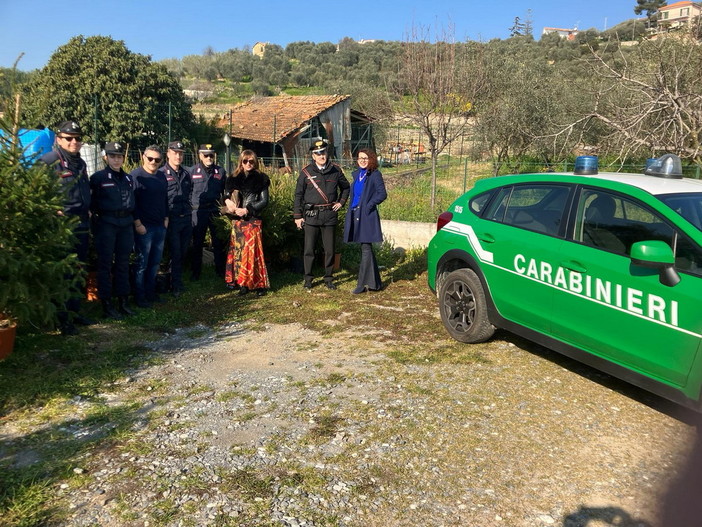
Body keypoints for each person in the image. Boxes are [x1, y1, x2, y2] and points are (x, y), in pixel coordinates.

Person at [39, 120, 94, 335]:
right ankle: (62, 319)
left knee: (78, 269)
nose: (74, 142)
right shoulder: (49, 161)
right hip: (62, 225)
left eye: (77, 138)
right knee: (64, 272)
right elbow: (40, 192)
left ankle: (74, 312)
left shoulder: (80, 163)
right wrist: (52, 210)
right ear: (58, 140)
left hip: (81, 222)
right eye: (69, 138)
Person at [293, 139, 350, 290]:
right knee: (309, 249)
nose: (321, 156)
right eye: (318, 153)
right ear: (313, 156)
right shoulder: (306, 172)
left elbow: (346, 188)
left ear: (327, 153)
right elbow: (298, 195)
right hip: (311, 215)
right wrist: (298, 216)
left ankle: (329, 278)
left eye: (323, 152)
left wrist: (341, 202)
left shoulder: (335, 170)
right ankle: (308, 279)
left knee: (330, 250)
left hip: (329, 215)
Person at [90, 141, 135, 318]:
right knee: (105, 264)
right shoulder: (98, 178)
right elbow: (92, 205)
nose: (116, 160)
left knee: (123, 263)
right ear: (106, 157)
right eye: (113, 156)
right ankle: (107, 304)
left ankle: (123, 301)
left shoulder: (128, 178)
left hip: (125, 223)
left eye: (119, 156)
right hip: (107, 223)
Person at [223, 150, 271, 296]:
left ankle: (259, 285)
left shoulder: (261, 178)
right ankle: (242, 283)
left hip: (252, 220)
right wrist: (228, 202)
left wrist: (247, 210)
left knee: (254, 253)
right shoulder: (233, 178)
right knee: (239, 253)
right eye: (245, 161)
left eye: (251, 161)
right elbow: (225, 194)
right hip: (237, 221)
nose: (248, 164)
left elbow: (264, 201)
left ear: (255, 162)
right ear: (241, 162)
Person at [343, 148, 387, 293]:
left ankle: (361, 284)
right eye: (360, 158)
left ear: (371, 159)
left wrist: (369, 205)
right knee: (365, 248)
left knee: (366, 248)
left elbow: (382, 194)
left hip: (367, 216)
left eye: (365, 158)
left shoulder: (375, 175)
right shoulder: (357, 175)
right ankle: (375, 284)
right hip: (356, 214)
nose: (362, 160)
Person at [131, 146, 169, 307]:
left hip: (160, 226)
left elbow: (165, 199)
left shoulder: (161, 176)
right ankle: (139, 298)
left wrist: (166, 218)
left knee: (154, 263)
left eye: (157, 160)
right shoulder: (135, 176)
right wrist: (137, 223)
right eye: (150, 158)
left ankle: (150, 293)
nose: (153, 162)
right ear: (143, 157)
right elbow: (131, 203)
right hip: (143, 228)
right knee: (142, 264)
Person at [189, 144, 227, 280]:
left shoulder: (220, 171)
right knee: (197, 243)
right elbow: (188, 192)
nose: (209, 158)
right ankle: (196, 272)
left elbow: (225, 192)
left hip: (215, 210)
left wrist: (225, 206)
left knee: (218, 242)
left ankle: (220, 270)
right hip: (198, 211)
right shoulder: (192, 171)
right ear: (200, 156)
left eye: (211, 155)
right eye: (206, 155)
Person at [160, 140, 192, 297]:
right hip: (171, 219)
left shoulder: (186, 174)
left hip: (185, 217)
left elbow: (189, 194)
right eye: (175, 153)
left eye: (180, 153)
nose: (178, 156)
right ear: (168, 154)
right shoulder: (161, 174)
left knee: (183, 251)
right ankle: (174, 284)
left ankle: (176, 280)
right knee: (175, 252)